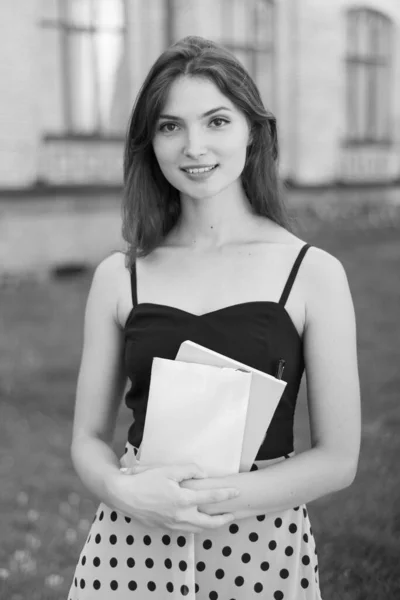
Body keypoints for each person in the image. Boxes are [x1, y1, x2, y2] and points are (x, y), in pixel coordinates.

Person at [67, 35, 361, 600]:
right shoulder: (118, 275)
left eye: (217, 121)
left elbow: (339, 458)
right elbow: (86, 438)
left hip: (260, 548)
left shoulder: (313, 273)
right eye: (170, 126)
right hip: (129, 547)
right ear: (149, 142)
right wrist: (125, 492)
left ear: (254, 131)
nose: (193, 146)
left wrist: (203, 500)